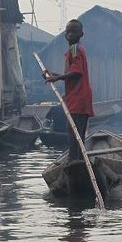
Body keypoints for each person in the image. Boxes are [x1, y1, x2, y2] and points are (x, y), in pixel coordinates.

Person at [44, 19, 94, 161]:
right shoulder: (73, 50)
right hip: (76, 98)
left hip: (79, 99)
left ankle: (75, 162)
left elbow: (77, 73)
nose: (70, 34)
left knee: (75, 134)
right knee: (76, 134)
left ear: (81, 34)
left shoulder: (76, 49)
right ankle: (77, 160)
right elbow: (72, 74)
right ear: (65, 34)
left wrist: (57, 78)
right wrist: (54, 75)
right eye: (68, 31)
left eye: (74, 31)